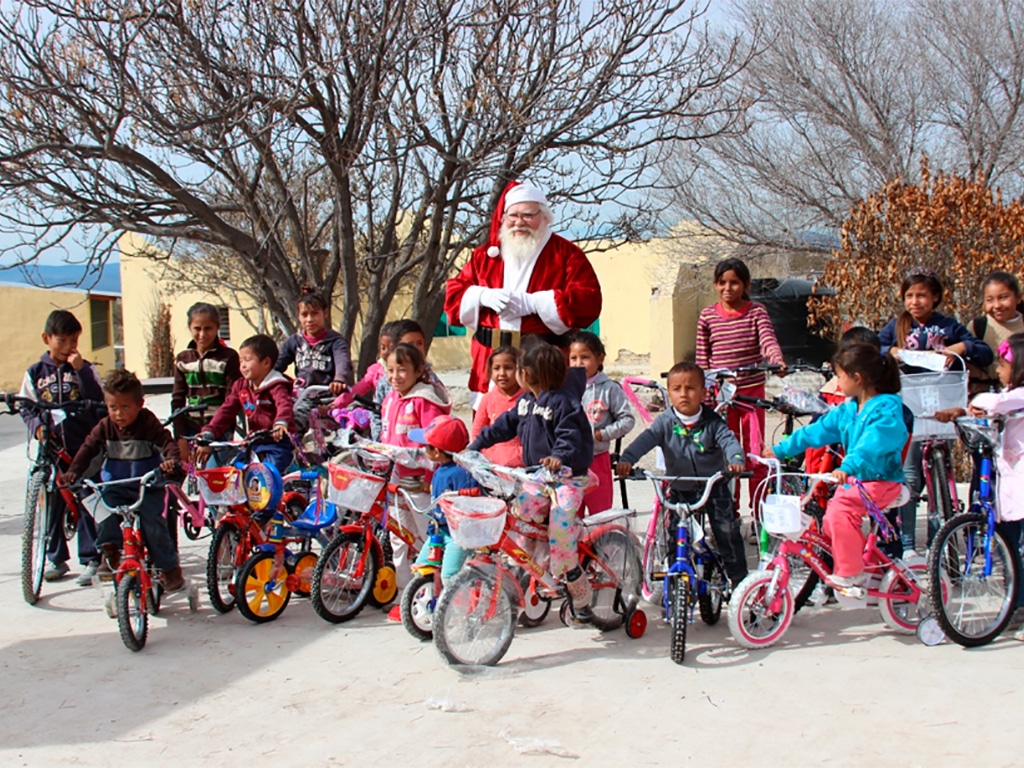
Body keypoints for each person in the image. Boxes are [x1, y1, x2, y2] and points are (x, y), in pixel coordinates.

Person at [467, 341, 596, 623]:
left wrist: (558, 456)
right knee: (521, 515)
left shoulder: (564, 402)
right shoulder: (526, 401)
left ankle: (575, 579)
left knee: (560, 530)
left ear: (529, 374)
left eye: (519, 369)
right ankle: (533, 565)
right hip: (537, 476)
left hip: (566, 479)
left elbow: (569, 436)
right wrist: (475, 445)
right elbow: (503, 425)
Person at [444, 179, 602, 407]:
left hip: (542, 360)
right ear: (504, 218)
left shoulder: (566, 255)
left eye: (528, 215)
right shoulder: (484, 257)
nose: (519, 222)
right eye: (513, 215)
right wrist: (480, 295)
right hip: (493, 360)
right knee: (490, 427)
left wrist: (535, 302)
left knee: (543, 424)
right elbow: (453, 296)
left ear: (544, 216)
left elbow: (588, 301)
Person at [765, 343, 908, 590]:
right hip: (858, 483)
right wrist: (781, 449)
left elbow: (872, 444)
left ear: (857, 378)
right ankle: (865, 563)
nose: (837, 382)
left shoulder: (886, 408)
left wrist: (848, 466)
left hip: (882, 481)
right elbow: (818, 431)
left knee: (840, 511)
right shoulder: (849, 409)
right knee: (831, 521)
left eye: (839, 376)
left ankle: (851, 574)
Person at [878, 267, 992, 553]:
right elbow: (872, 346)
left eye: (922, 296)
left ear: (936, 297)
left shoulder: (948, 326)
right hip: (910, 404)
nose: (915, 302)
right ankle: (907, 542)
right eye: (909, 296)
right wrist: (890, 352)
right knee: (911, 474)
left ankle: (938, 540)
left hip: (942, 403)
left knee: (942, 472)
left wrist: (960, 347)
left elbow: (982, 351)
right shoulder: (897, 326)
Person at [614, 361, 749, 586]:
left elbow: (729, 441)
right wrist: (627, 459)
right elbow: (644, 441)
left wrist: (736, 460)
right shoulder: (665, 422)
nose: (683, 394)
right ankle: (674, 576)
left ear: (704, 393)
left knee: (726, 529)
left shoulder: (713, 423)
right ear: (669, 393)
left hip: (712, 486)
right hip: (679, 487)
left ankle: (738, 579)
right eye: (676, 389)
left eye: (690, 388)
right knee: (674, 533)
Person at [63, 370, 183, 589]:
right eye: (113, 407)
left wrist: (171, 461)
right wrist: (74, 472)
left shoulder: (148, 423)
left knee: (153, 525)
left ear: (140, 404)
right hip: (115, 487)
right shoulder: (105, 427)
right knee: (102, 513)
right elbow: (88, 448)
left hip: (146, 486)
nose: (118, 414)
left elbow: (167, 443)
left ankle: (170, 569)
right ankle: (110, 553)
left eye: (125, 407)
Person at [19, 309, 103, 585]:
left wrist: (81, 371)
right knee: (52, 500)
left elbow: (100, 400)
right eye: (62, 340)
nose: (69, 347)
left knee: (87, 497)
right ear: (47, 338)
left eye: (74, 340)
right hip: (51, 449)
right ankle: (56, 558)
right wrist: (37, 428)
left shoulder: (85, 369)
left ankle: (92, 557)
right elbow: (26, 405)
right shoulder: (34, 373)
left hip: (82, 446)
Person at [695, 257, 785, 511]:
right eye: (722, 283)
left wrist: (776, 361)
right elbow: (703, 359)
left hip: (751, 395)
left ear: (745, 284)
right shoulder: (707, 317)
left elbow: (767, 340)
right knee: (727, 455)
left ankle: (759, 514)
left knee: (754, 454)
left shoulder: (756, 312)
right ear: (715, 285)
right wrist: (703, 393)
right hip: (721, 398)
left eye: (734, 283)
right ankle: (729, 515)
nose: (728, 288)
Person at [380, 342, 453, 602]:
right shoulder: (390, 399)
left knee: (427, 536)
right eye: (390, 370)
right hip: (396, 480)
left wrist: (432, 480)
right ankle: (403, 593)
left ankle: (433, 591)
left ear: (418, 370)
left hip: (421, 482)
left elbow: (438, 443)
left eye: (402, 370)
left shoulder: (425, 401)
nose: (395, 377)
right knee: (399, 537)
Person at [195, 334, 296, 477]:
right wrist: (210, 432)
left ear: (266, 363)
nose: (242, 365)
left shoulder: (277, 385)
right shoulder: (241, 386)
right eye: (240, 360)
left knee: (267, 475)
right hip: (253, 442)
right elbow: (227, 410)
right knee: (237, 471)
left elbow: (284, 404)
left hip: (277, 443)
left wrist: (280, 423)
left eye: (247, 360)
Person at [406, 415, 477, 589]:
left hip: (456, 535)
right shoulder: (440, 470)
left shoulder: (461, 473)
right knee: (421, 566)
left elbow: (469, 504)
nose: (423, 449)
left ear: (437, 452)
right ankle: (426, 604)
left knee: (449, 576)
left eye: (426, 447)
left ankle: (454, 611)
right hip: (438, 531)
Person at [570, 331, 634, 515]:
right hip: (570, 464)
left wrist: (602, 434)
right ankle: (577, 545)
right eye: (573, 358)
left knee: (601, 514)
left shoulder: (610, 389)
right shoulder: (565, 387)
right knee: (571, 515)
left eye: (585, 357)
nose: (578, 363)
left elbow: (627, 420)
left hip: (597, 459)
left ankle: (600, 544)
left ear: (600, 358)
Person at [170, 302, 241, 459]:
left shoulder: (228, 357)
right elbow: (177, 400)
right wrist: (180, 437)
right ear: (190, 327)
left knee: (215, 475)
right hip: (190, 429)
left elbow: (232, 399)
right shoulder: (184, 359)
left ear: (217, 328)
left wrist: (211, 435)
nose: (202, 334)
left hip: (220, 430)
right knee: (192, 476)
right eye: (197, 328)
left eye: (208, 328)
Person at [275, 288, 353, 431]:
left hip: (328, 395)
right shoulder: (294, 341)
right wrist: (266, 378)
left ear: (325, 313)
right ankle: (290, 450)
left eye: (315, 313)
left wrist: (339, 379)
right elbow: (278, 364)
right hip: (303, 395)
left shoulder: (335, 341)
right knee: (286, 416)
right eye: (304, 314)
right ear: (298, 316)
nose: (310, 319)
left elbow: (343, 361)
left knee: (297, 419)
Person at [967, 271, 1024, 395]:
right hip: (983, 396)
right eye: (990, 300)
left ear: (1018, 298)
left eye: (1003, 297)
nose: (997, 305)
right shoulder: (978, 327)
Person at [470, 345, 524, 467]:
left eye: (508, 368)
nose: (502, 373)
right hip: (492, 465)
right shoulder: (487, 399)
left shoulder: (527, 399)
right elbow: (477, 431)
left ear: (520, 370)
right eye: (496, 368)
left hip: (522, 465)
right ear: (490, 371)